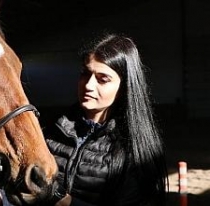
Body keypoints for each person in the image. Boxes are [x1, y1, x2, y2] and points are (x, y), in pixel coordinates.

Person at [43, 32, 169, 206]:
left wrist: (68, 203)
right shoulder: (50, 130)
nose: (88, 85)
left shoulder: (133, 150)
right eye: (85, 74)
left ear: (124, 87)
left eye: (102, 79)